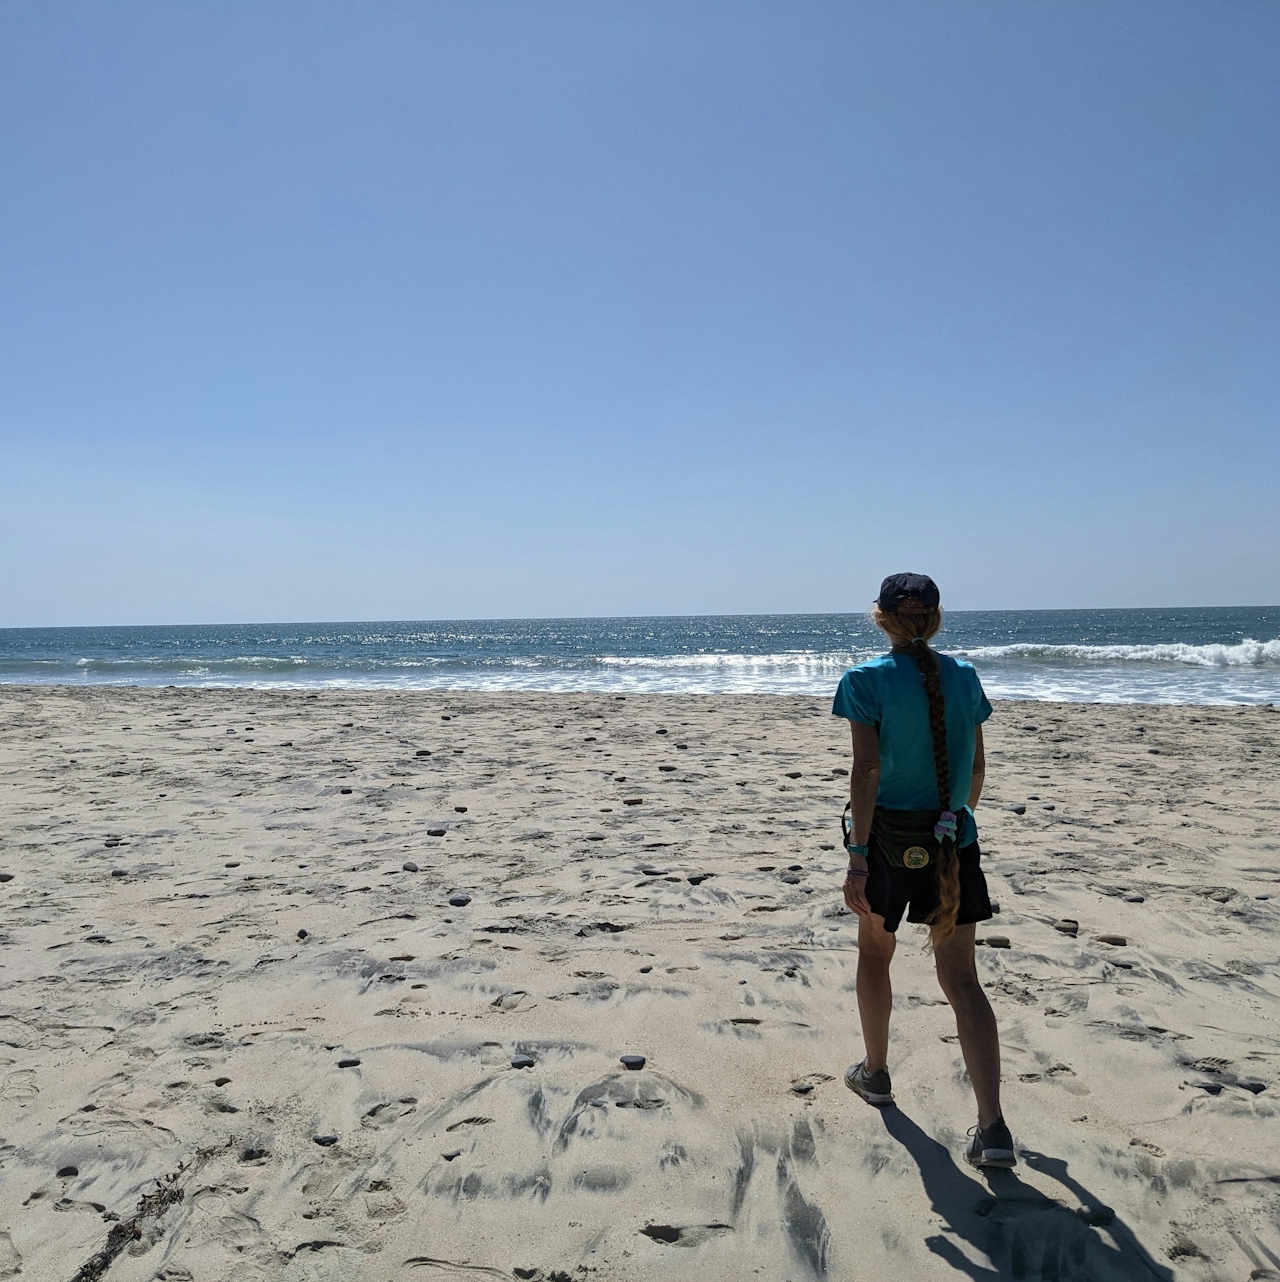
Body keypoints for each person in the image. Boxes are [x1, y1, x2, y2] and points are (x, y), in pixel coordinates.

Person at [832, 572, 1015, 1168]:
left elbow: (866, 773)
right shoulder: (964, 676)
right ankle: (992, 1129)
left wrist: (857, 857)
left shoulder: (864, 680)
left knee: (875, 955)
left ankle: (877, 1072)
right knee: (962, 979)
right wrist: (952, 826)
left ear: (880, 617)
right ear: (936, 618)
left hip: (887, 842)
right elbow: (977, 773)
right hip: (952, 839)